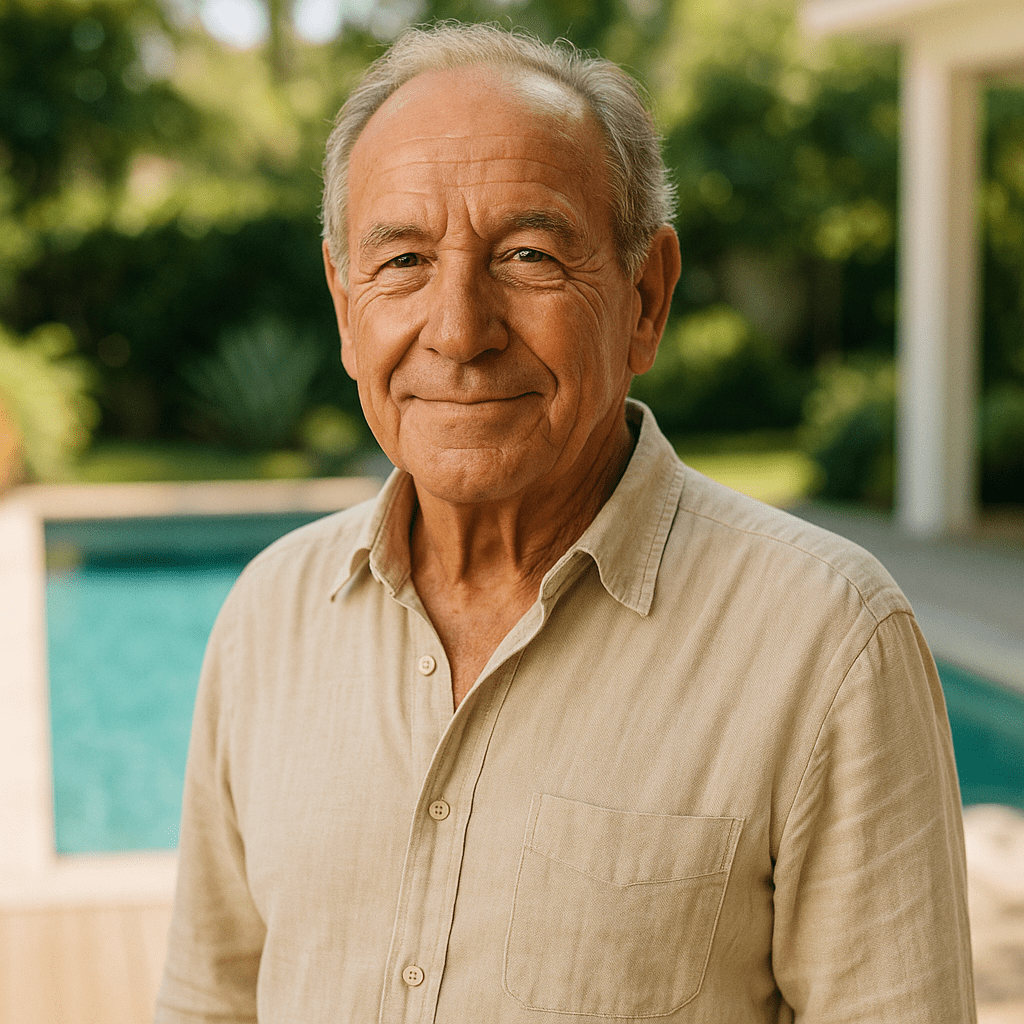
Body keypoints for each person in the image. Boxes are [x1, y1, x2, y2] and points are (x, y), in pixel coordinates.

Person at [155, 22, 976, 1024]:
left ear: (645, 296)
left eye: (528, 253)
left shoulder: (828, 642)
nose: (458, 330)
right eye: (404, 259)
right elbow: (207, 1004)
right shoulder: (267, 617)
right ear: (343, 302)